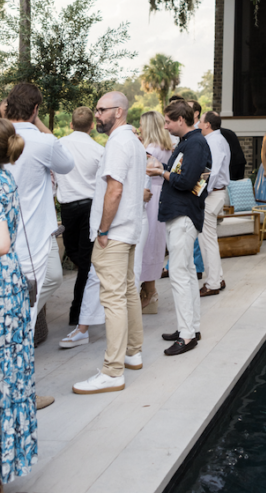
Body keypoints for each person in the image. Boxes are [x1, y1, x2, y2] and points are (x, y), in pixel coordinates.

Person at [72, 91, 146, 395]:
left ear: (118, 111)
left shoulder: (118, 142)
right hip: (127, 229)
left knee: (113, 299)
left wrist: (102, 230)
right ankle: (133, 352)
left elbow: (114, 190)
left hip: (114, 233)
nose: (97, 114)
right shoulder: (134, 141)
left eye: (102, 110)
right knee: (128, 292)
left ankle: (113, 371)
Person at [6, 83, 74, 331]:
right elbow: (67, 164)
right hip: (33, 233)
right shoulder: (43, 142)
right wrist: (41, 124)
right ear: (35, 109)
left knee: (50, 278)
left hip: (9, 229)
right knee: (33, 294)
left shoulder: (6, 137)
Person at [147, 101, 212, 356]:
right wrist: (161, 168)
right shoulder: (189, 143)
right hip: (181, 213)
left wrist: (160, 172)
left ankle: (187, 336)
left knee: (179, 274)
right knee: (184, 273)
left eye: (168, 121)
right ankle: (190, 328)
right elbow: (183, 175)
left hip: (184, 215)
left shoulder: (195, 144)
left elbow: (186, 182)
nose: (165, 126)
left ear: (181, 121)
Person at [0, 118, 37, 485]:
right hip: (8, 281)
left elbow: (1, 242)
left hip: (1, 279)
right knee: (9, 373)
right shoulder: (6, 175)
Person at [56, 106, 102, 335]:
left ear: (71, 124)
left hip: (68, 209)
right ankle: (80, 309)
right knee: (83, 258)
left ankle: (78, 311)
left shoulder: (59, 145)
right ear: (92, 126)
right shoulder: (98, 149)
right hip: (90, 207)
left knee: (79, 255)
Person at [139, 111, 173, 313]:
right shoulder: (167, 147)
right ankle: (149, 292)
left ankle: (150, 293)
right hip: (161, 195)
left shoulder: (151, 150)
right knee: (154, 243)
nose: (140, 128)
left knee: (148, 243)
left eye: (143, 125)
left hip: (150, 195)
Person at [197, 111, 230, 296]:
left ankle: (212, 283)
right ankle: (218, 278)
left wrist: (200, 192)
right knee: (210, 239)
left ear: (207, 124)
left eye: (200, 122)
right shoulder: (218, 139)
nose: (198, 124)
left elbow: (213, 171)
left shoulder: (214, 141)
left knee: (207, 241)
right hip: (216, 193)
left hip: (212, 194)